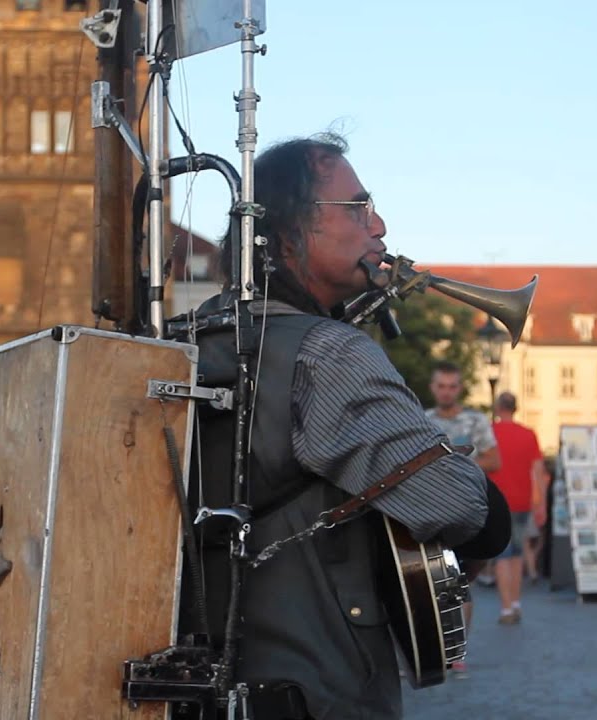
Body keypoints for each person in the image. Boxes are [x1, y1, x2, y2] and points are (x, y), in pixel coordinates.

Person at [188, 132, 509, 719]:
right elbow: (460, 507)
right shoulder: (328, 352)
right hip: (317, 688)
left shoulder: (187, 338)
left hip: (201, 680)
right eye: (358, 208)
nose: (379, 225)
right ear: (290, 231)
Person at [426, 362, 501, 590]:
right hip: (430, 507)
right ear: (433, 387)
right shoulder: (423, 421)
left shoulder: (475, 420)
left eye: (451, 386)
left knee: (462, 583)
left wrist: (457, 466)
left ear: (459, 388)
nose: (446, 392)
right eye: (441, 386)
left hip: (467, 507)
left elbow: (494, 461)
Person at [487, 392, 542, 624]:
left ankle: (506, 608)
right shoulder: (528, 434)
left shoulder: (489, 433)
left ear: (498, 408)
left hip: (498, 502)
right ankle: (517, 601)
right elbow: (538, 471)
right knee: (518, 554)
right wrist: (540, 503)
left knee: (502, 555)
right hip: (522, 501)